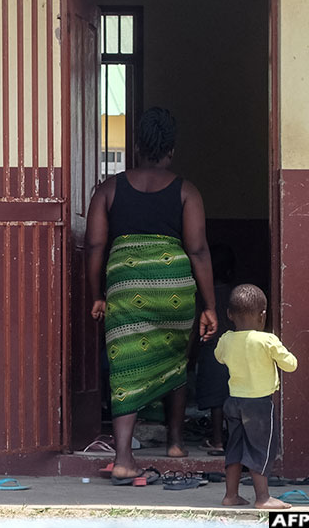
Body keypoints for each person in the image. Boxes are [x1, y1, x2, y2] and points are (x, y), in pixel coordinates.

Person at [85, 107, 218, 485]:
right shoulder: (186, 191)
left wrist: (97, 295)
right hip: (173, 285)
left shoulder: (110, 188)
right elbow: (198, 250)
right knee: (174, 357)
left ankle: (124, 458)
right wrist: (209, 305)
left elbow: (95, 245)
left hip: (126, 285)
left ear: (136, 146)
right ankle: (176, 443)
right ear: (171, 150)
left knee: (126, 363)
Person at [216, 284, 298, 509]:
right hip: (259, 406)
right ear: (263, 316)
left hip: (233, 402)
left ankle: (230, 496)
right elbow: (291, 365)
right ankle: (262, 498)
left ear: (229, 314)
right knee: (260, 449)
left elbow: (219, 358)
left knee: (234, 448)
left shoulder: (226, 340)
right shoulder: (267, 340)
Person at [195, 243, 236, 456]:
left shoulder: (203, 297)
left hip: (212, 351)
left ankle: (218, 441)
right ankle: (236, 440)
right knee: (234, 396)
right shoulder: (235, 294)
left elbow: (195, 327)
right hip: (236, 351)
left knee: (216, 401)